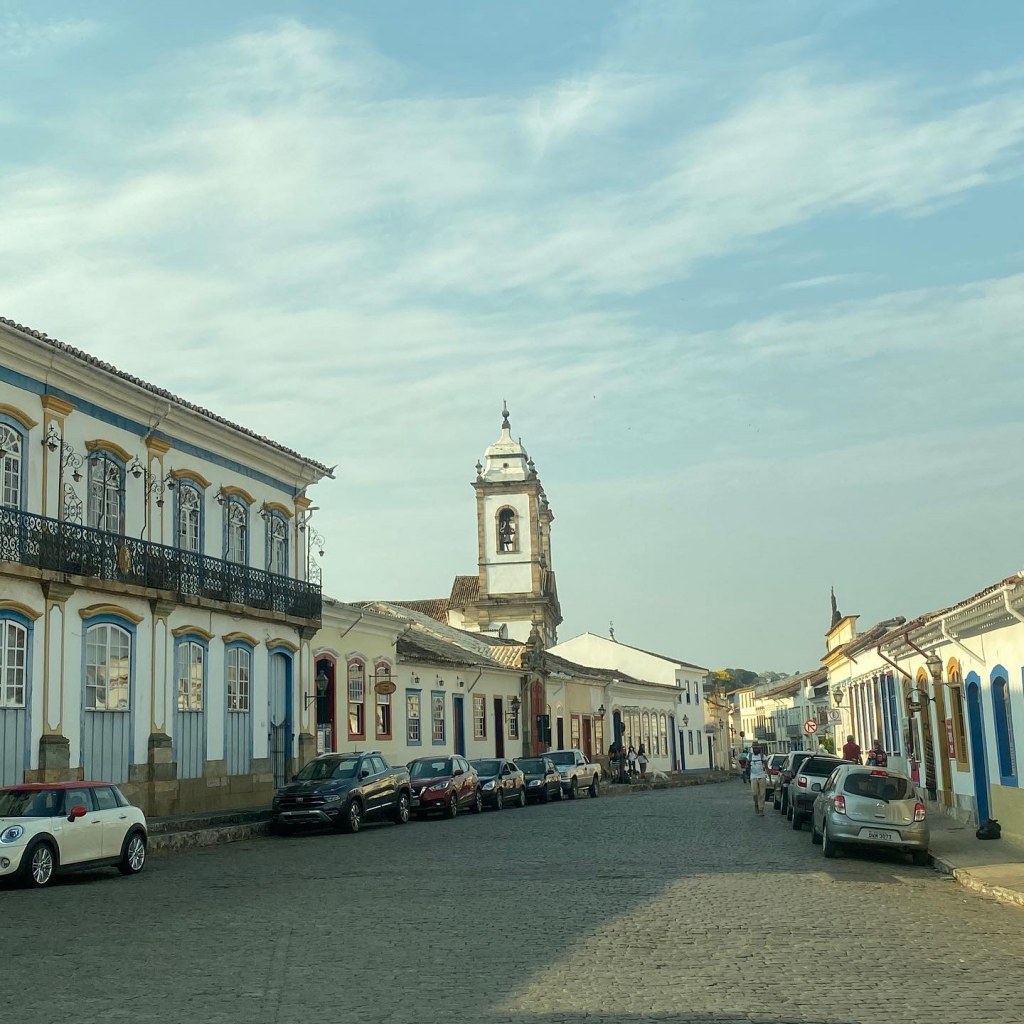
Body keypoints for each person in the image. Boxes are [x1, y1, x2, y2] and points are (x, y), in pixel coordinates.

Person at [748, 742, 769, 815]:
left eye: (757, 748)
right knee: (754, 793)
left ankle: (761, 809)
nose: (756, 749)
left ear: (759, 749)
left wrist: (769, 777)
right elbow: (747, 766)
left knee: (762, 794)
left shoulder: (763, 756)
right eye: (755, 748)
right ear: (753, 749)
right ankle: (756, 804)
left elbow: (766, 767)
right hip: (753, 777)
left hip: (762, 777)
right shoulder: (750, 756)